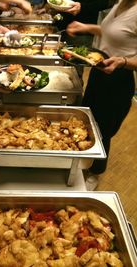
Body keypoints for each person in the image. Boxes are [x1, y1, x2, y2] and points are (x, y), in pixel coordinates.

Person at [66, 0, 137, 190]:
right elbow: (112, 32)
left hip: (118, 78)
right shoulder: (121, 4)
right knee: (89, 121)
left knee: (103, 130)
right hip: (99, 72)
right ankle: (85, 159)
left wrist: (123, 62)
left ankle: (95, 173)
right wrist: (87, 27)